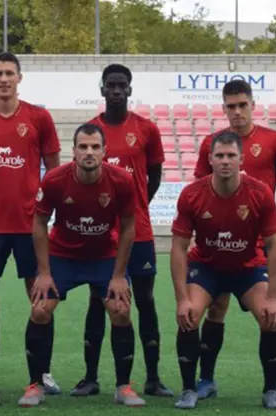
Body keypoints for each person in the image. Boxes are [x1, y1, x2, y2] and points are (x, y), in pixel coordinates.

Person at [18, 123, 145, 408]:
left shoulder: (122, 180)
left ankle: (123, 387)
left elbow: (128, 228)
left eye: (95, 147)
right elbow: (38, 223)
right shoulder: (54, 180)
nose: (89, 152)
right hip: (63, 257)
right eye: (83, 147)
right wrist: (44, 273)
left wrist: (119, 276)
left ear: (104, 151)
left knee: (121, 310)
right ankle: (34, 385)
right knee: (40, 310)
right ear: (73, 151)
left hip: (103, 258)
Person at [193, 80, 276, 401]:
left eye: (242, 104)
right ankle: (206, 379)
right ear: (224, 107)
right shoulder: (211, 145)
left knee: (272, 311)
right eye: (231, 106)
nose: (237, 111)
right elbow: (200, 189)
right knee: (216, 308)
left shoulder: (275, 141)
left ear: (252, 104)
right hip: (220, 245)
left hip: (261, 245)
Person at [0, 51, 62, 395]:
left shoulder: (39, 117)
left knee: (42, 300)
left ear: (20, 78)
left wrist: (53, 211)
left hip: (29, 226)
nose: (3, 79)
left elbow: (54, 170)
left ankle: (43, 373)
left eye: (9, 73)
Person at [172, 131, 276, 410]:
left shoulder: (259, 193)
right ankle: (190, 389)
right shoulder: (192, 194)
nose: (225, 161)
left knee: (269, 316)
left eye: (231, 156)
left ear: (241, 159)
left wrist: (273, 297)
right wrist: (181, 299)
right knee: (190, 315)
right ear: (210, 159)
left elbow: (273, 246)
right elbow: (178, 247)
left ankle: (271, 390)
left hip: (247, 268)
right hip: (207, 267)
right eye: (220, 156)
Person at [82, 64, 172, 397]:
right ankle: (90, 377)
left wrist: (134, 208)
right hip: (101, 235)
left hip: (140, 233)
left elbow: (155, 175)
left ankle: (152, 377)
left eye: (122, 86)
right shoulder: (91, 130)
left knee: (145, 301)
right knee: (97, 300)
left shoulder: (147, 129)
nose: (117, 91)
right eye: (111, 85)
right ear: (102, 89)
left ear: (130, 90)